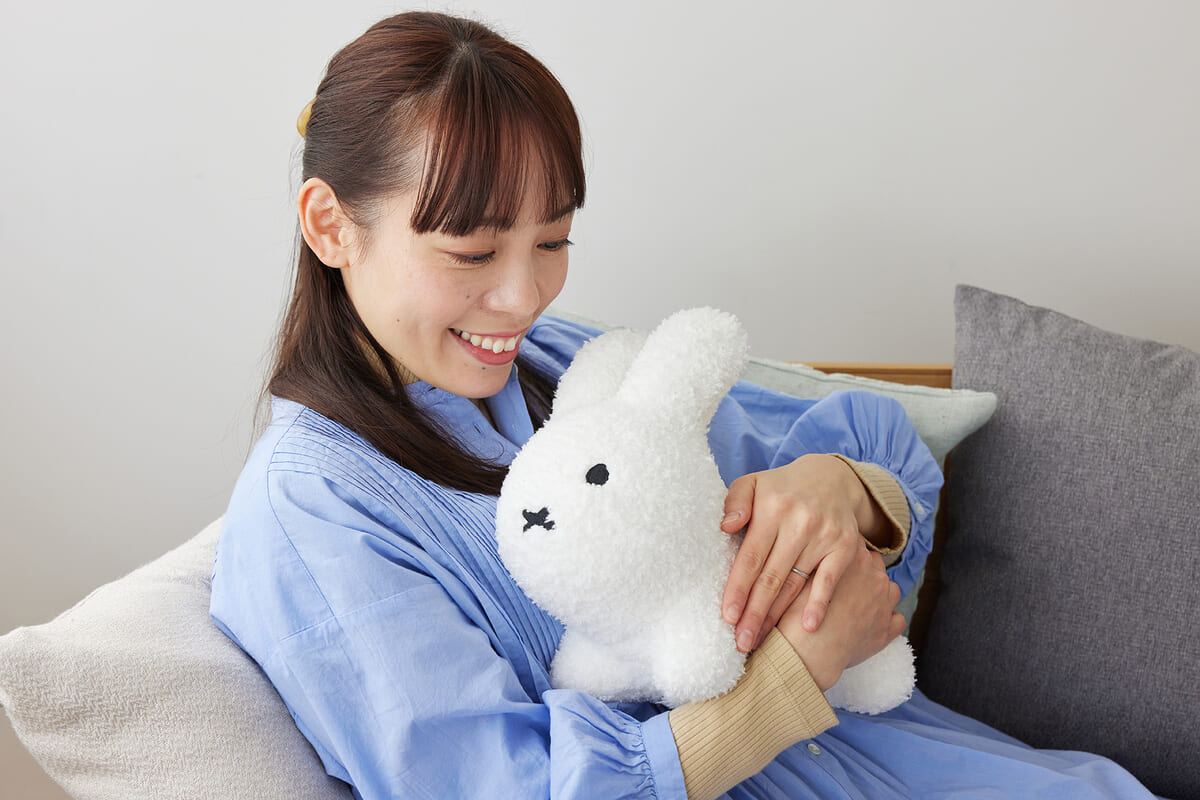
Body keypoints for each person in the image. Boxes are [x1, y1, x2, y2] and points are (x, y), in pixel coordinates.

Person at [210, 12, 1161, 800]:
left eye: (553, 240)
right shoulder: (312, 511)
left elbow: (882, 468)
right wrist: (792, 677)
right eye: (472, 252)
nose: (523, 296)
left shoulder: (565, 362)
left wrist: (839, 491)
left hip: (940, 763)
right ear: (331, 226)